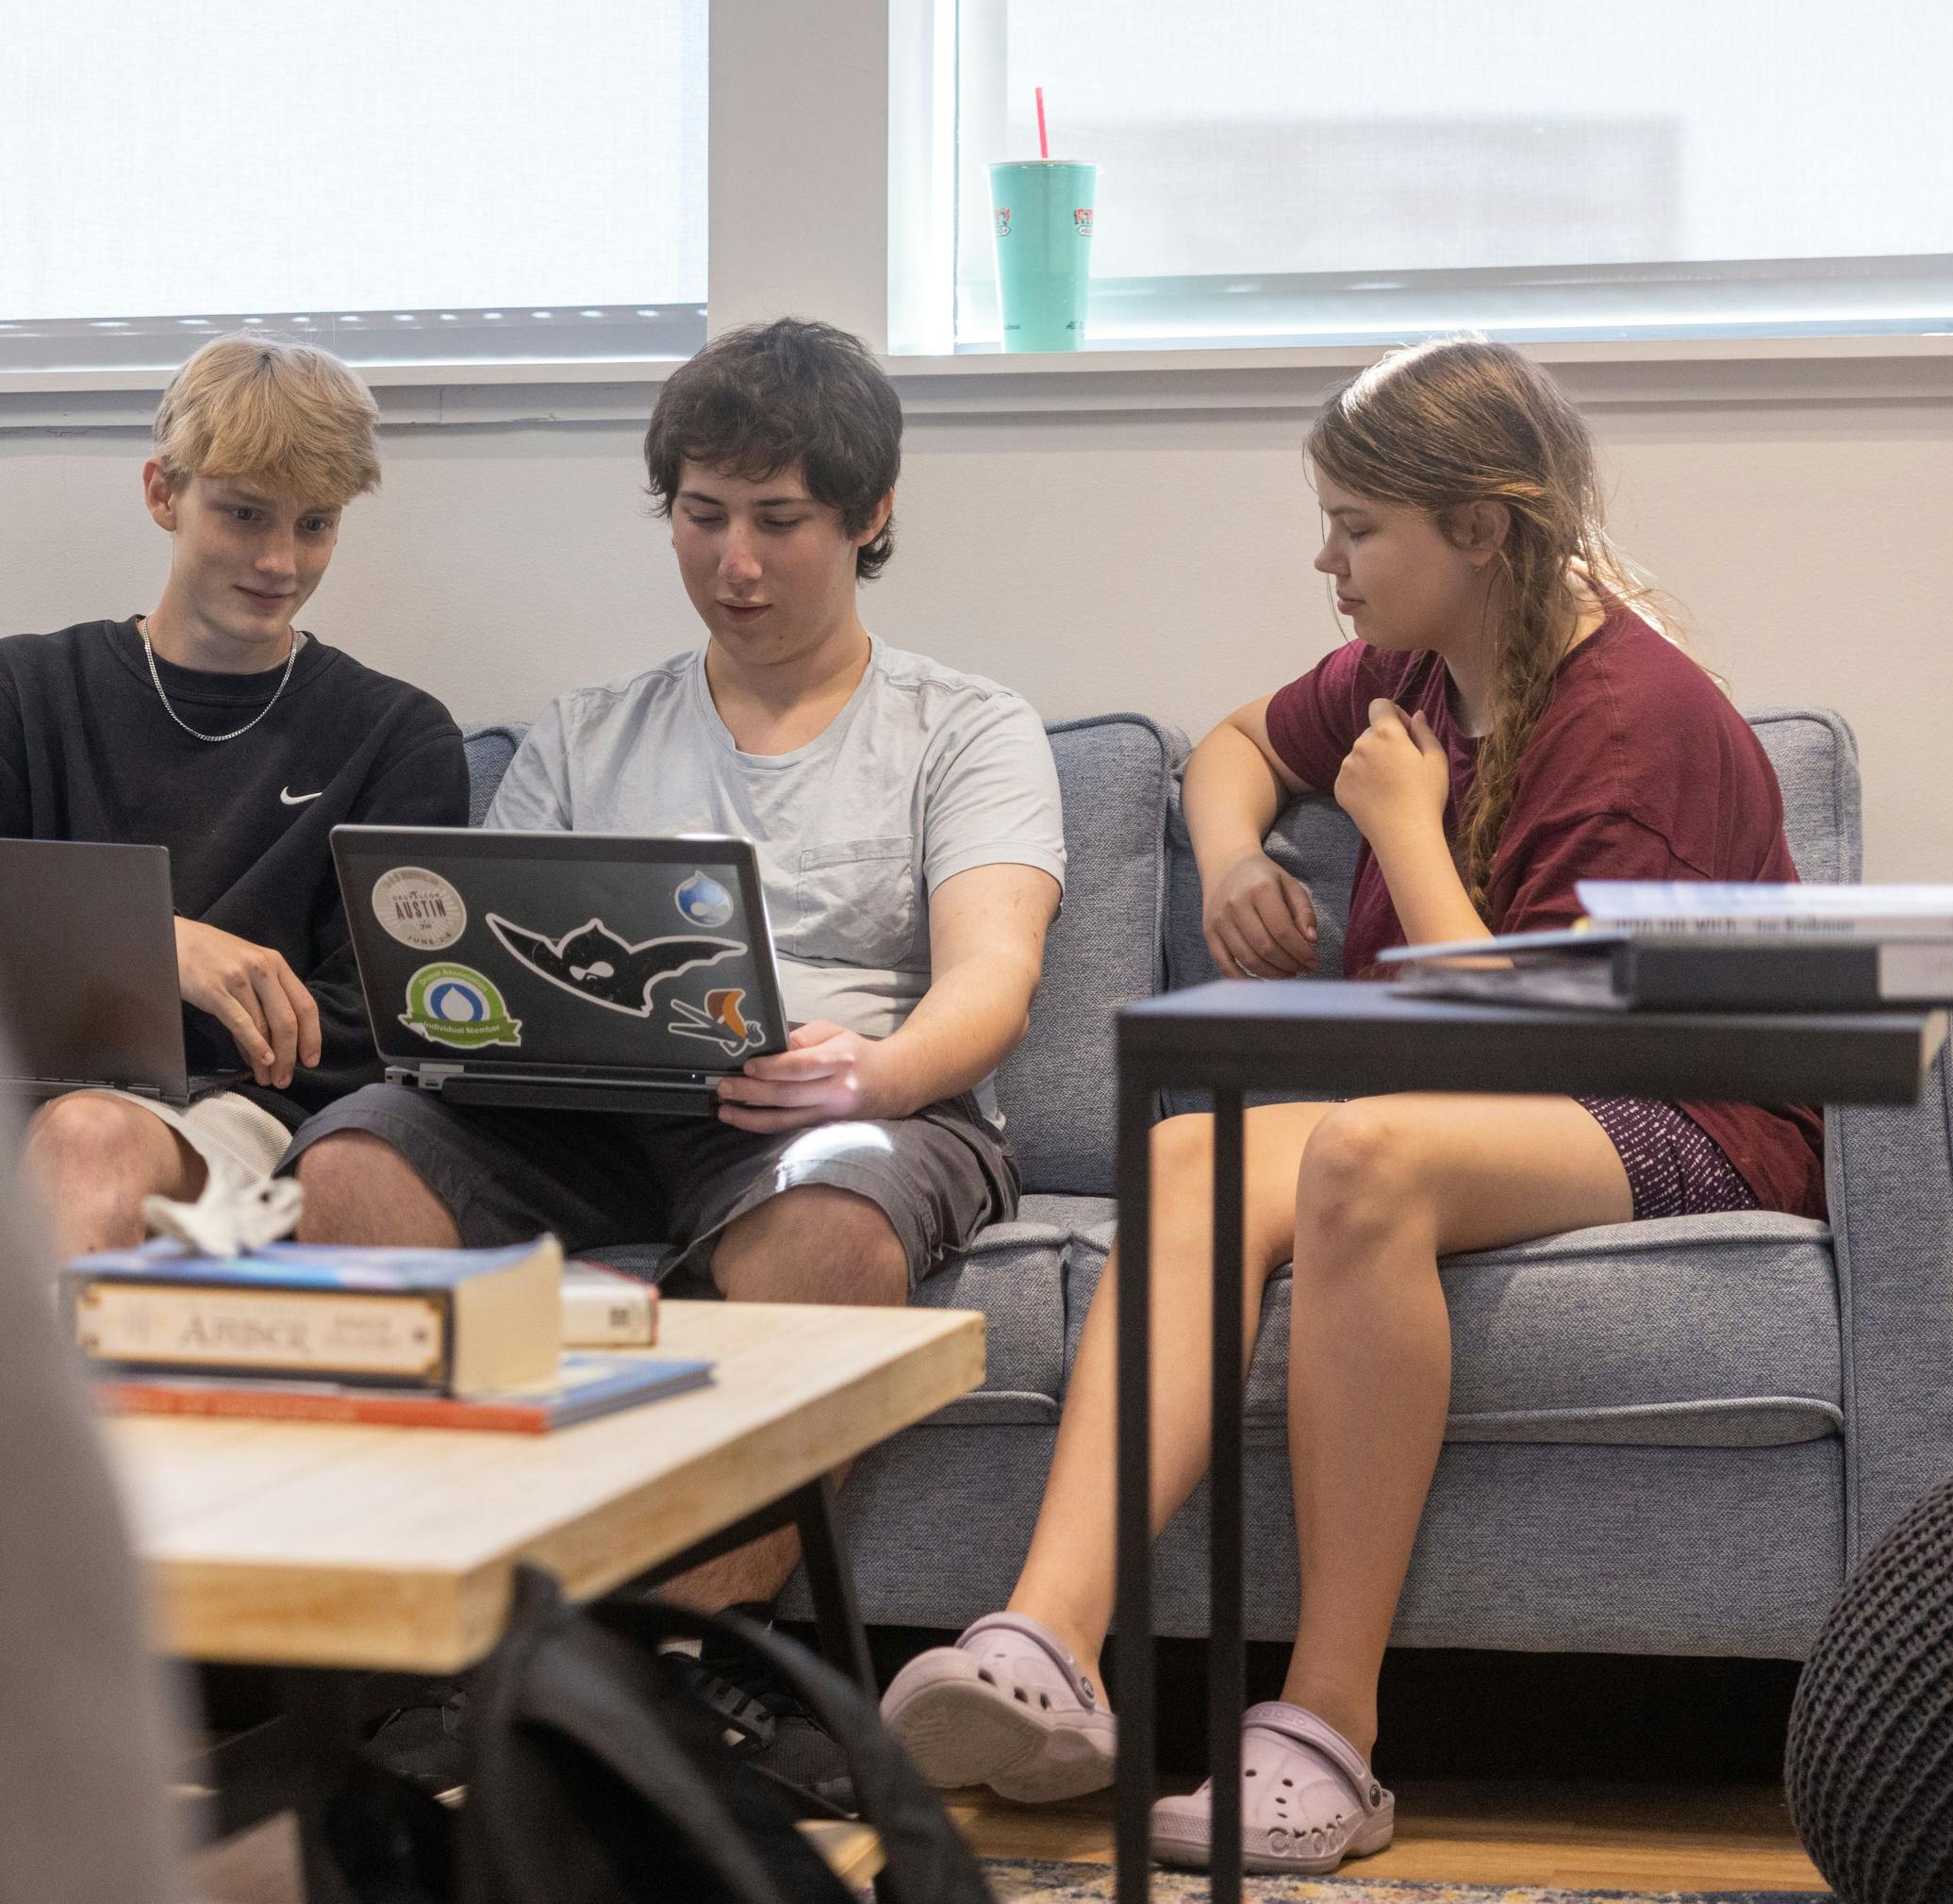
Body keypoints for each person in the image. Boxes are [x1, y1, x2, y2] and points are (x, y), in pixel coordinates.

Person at [881, 335, 1820, 1875]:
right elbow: (1238, 746)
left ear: (1480, 530)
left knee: (1366, 1151)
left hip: (1700, 1112)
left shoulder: (1634, 718)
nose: (1326, 560)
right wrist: (1245, 854)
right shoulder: (1414, 667)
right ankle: (1046, 1649)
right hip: (1520, 1091)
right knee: (1188, 1156)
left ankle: (1328, 1731)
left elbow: (1542, 1042)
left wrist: (1399, 818)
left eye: (1354, 526)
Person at [290, 314, 1066, 1407]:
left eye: (779, 520)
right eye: (703, 516)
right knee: (351, 1161)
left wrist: (874, 1074)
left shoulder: (967, 727)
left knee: (828, 1226)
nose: (734, 562)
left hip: (853, 1115)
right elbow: (485, 952)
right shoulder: (584, 734)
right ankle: (438, 1560)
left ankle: (669, 1589)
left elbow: (995, 975)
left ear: (871, 512)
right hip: (582, 1115)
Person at [0, 335, 472, 1256]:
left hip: (243, 1119)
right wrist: (156, 953)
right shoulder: (13, 690)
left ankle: (32, 1405)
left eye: (315, 524)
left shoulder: (398, 735)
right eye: (244, 513)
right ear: (164, 492)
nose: (281, 560)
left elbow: (388, 1023)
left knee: (90, 1136)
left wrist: (108, 1007)